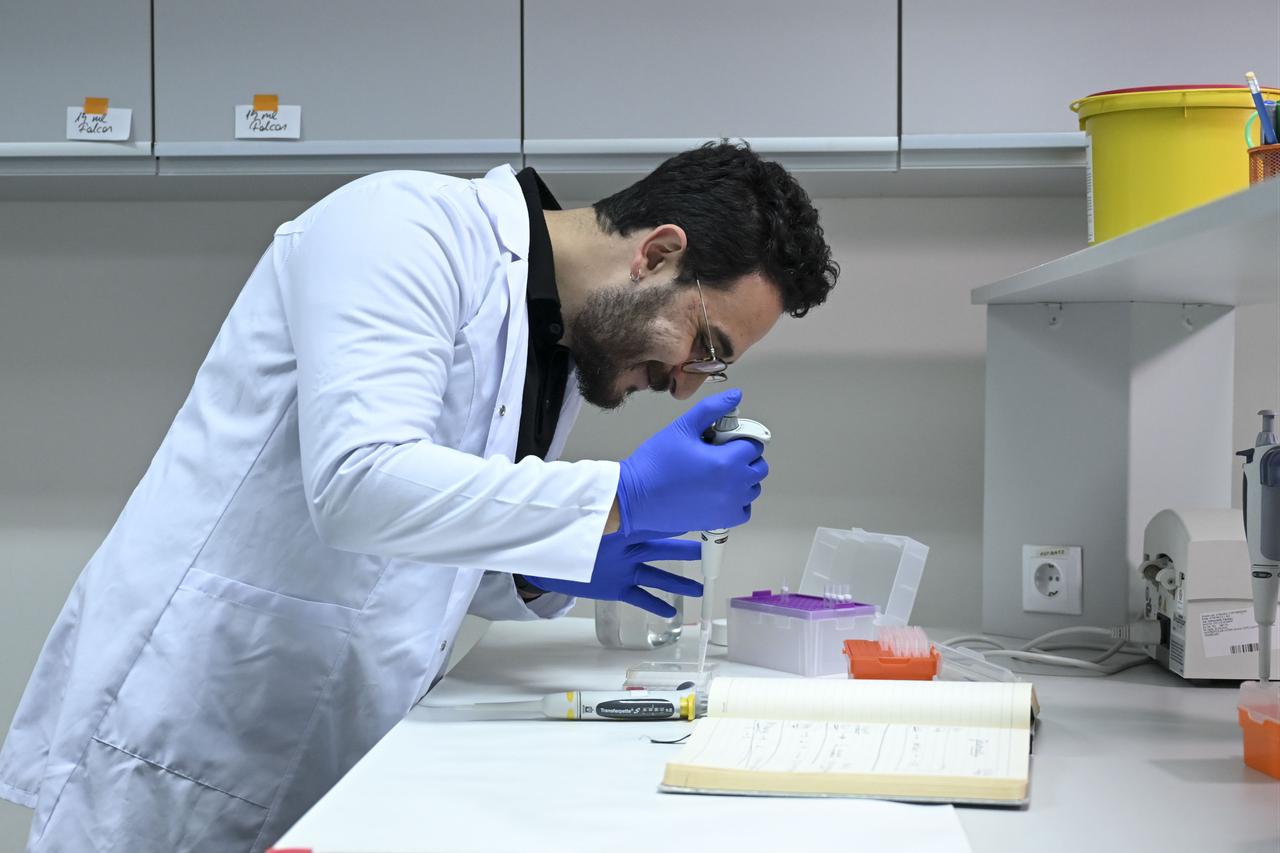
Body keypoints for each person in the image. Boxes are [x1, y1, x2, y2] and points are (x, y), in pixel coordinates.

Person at [0, 142, 838, 852]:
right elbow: (360, 484)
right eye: (705, 344)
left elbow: (425, 546)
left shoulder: (560, 344)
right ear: (656, 253)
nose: (687, 385)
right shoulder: (403, 228)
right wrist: (616, 495)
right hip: (188, 725)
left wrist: (545, 574)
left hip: (335, 745)